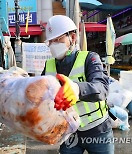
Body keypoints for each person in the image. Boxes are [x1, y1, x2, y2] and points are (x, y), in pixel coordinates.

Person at [41, 15, 114, 154]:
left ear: (73, 37)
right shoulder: (48, 65)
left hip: (98, 130)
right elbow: (40, 95)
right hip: (68, 133)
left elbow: (102, 88)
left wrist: (77, 89)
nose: (53, 45)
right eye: (50, 42)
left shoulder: (90, 58)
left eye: (58, 40)